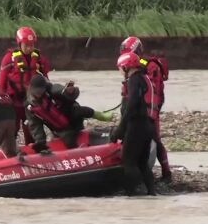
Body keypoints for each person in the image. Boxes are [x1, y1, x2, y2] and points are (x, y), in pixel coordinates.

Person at [120, 36, 171, 181]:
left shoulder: (147, 65)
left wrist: (150, 112)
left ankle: (166, 172)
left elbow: (151, 91)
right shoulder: (135, 65)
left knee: (155, 138)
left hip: (148, 110)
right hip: (136, 109)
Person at [109, 52, 158, 196]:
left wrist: (119, 131)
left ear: (126, 67)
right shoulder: (144, 78)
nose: (119, 71)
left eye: (120, 68)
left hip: (137, 126)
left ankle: (131, 195)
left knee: (129, 162)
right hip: (148, 125)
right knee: (142, 163)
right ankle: (151, 193)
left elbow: (132, 106)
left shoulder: (133, 80)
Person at [25, 75, 113, 153]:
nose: (39, 94)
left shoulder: (52, 90)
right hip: (60, 129)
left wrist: (70, 91)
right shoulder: (30, 106)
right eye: (36, 92)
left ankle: (101, 116)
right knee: (69, 141)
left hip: (71, 115)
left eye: (41, 91)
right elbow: (35, 125)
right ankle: (79, 153)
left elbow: (68, 93)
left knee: (82, 111)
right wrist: (40, 142)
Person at [0, 26, 51, 145]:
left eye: (32, 45)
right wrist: (1, 101)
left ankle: (32, 150)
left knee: (31, 128)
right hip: (13, 102)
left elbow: (45, 78)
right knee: (12, 129)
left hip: (30, 101)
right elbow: (1, 82)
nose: (29, 48)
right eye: (26, 45)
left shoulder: (39, 59)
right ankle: (9, 152)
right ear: (20, 43)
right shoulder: (9, 59)